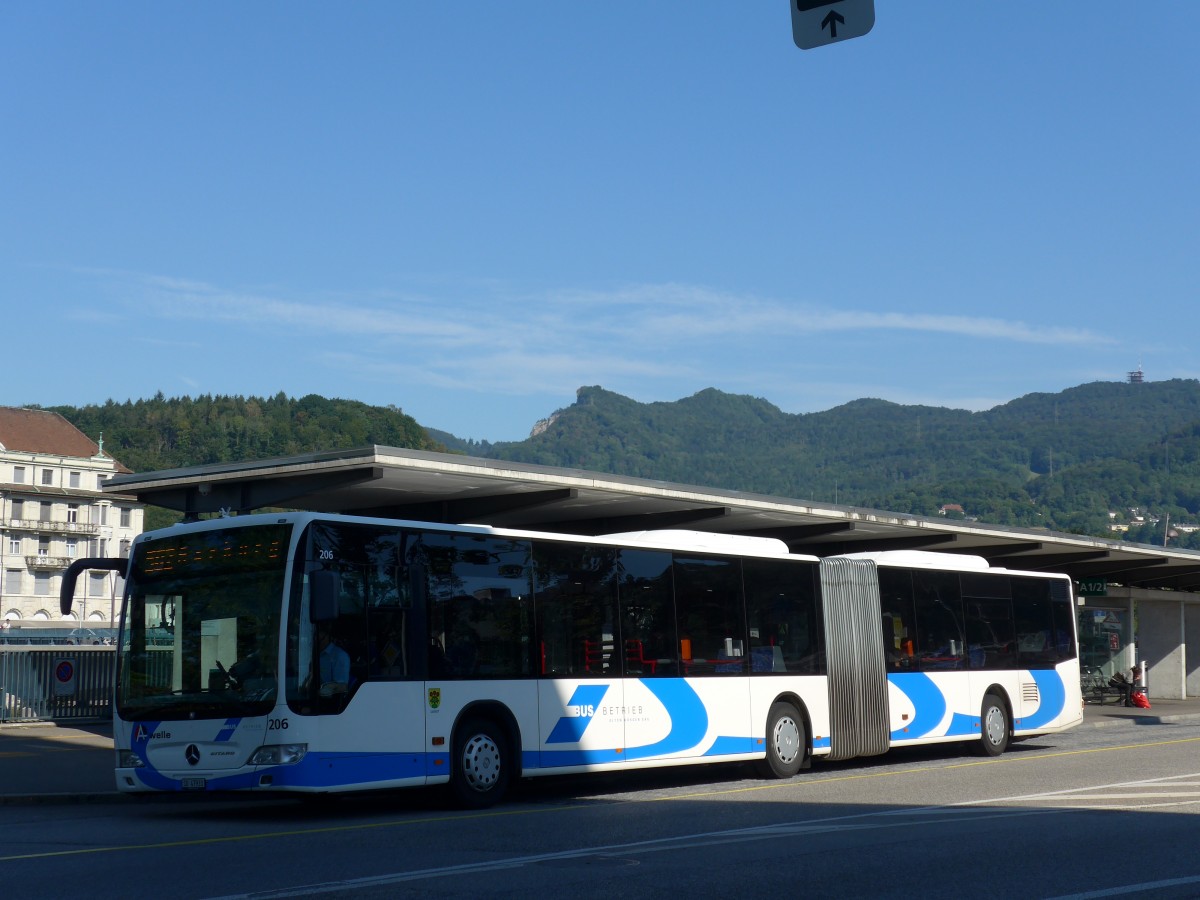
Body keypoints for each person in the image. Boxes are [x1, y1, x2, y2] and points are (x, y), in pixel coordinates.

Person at [315, 626, 351, 696]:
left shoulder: (340, 655)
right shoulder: (314, 654)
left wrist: (319, 692)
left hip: (334, 701)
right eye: (316, 640)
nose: (318, 643)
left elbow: (342, 687)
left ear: (329, 637)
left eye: (321, 639)